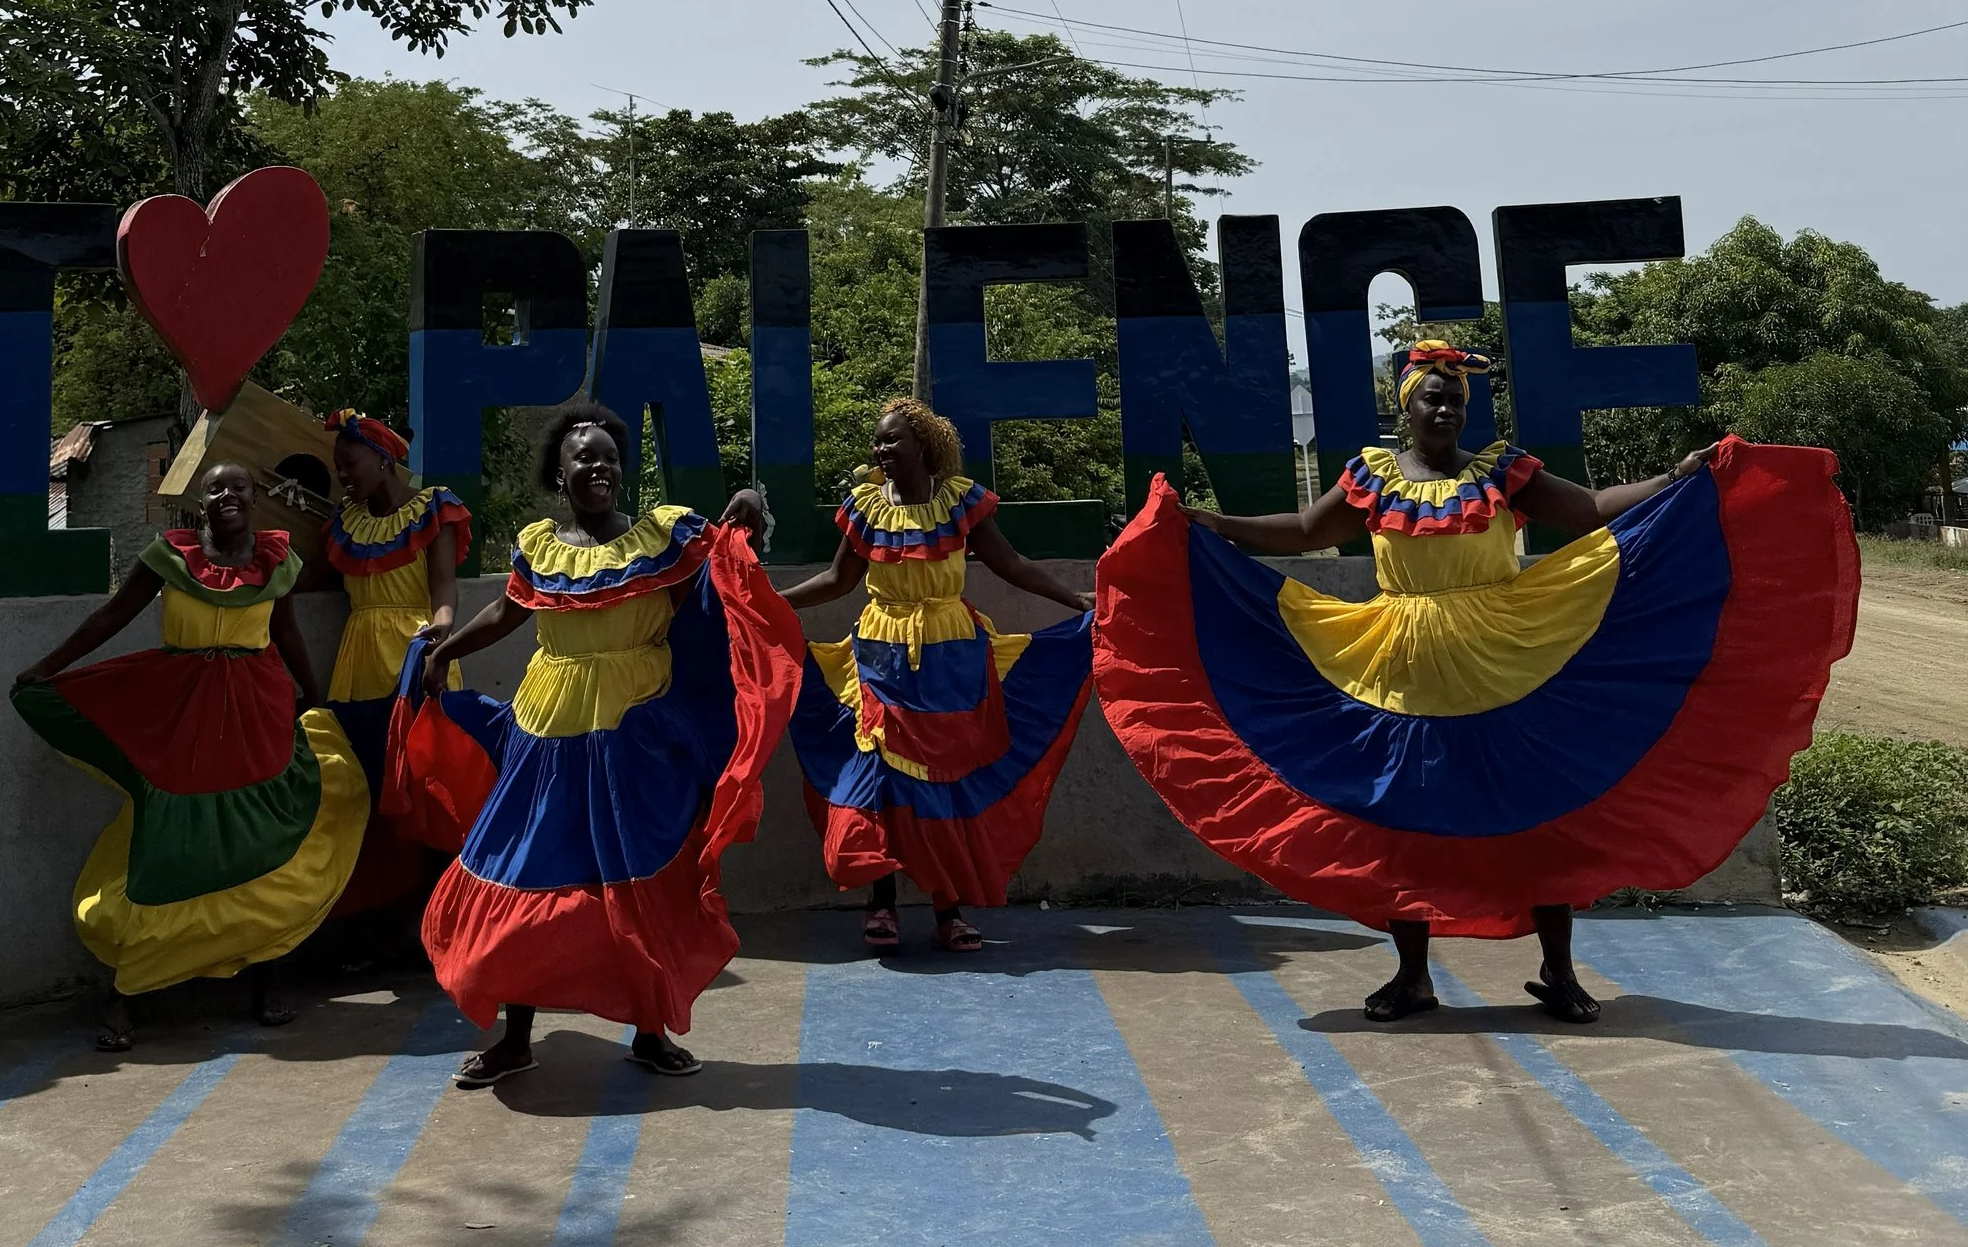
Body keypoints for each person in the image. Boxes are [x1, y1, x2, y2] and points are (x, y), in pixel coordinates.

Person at [1092, 339, 1860, 1023]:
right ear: (1408, 406)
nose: (1448, 409)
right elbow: (1300, 532)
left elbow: (1590, 510)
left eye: (1457, 399)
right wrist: (1212, 525)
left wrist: (1674, 476)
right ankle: (1414, 977)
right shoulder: (1371, 474)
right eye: (1435, 397)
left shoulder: (1503, 470)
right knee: (1405, 817)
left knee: (1539, 808)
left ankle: (1558, 971)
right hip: (1402, 668)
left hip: (1514, 660)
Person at [388, 404, 801, 1088]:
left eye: (610, 455)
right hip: (548, 726)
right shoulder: (540, 545)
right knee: (524, 869)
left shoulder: (660, 538)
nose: (600, 465)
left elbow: (721, 576)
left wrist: (751, 504)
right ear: (560, 471)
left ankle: (649, 1030)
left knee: (638, 879)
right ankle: (515, 1035)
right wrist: (446, 648)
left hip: (636, 731)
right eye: (585, 456)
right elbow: (507, 609)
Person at [12, 457, 369, 1050]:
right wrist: (48, 668)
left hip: (257, 713)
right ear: (200, 502)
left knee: (260, 842)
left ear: (255, 500)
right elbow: (110, 616)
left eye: (239, 487)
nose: (228, 494)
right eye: (215, 488)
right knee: (169, 843)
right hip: (184, 716)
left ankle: (266, 976)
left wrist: (312, 693)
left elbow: (287, 634)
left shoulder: (275, 562)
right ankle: (128, 993)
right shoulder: (168, 557)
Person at [774, 397, 1094, 950]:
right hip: (880, 659)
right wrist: (768, 603)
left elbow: (1012, 566)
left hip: (951, 662)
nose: (881, 450)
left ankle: (949, 910)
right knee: (876, 776)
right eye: (877, 441)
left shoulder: (958, 503)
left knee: (942, 782)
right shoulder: (865, 508)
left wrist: (1077, 603)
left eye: (892, 439)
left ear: (923, 445)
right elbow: (836, 581)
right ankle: (881, 903)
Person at [292, 410, 469, 925]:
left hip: (419, 661)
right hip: (360, 667)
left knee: (430, 792)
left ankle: (444, 920)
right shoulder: (344, 524)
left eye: (350, 463)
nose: (343, 474)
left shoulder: (433, 506)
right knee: (370, 795)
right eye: (338, 466)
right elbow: (305, 583)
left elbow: (442, 583)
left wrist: (444, 628)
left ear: (384, 459)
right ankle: (383, 924)